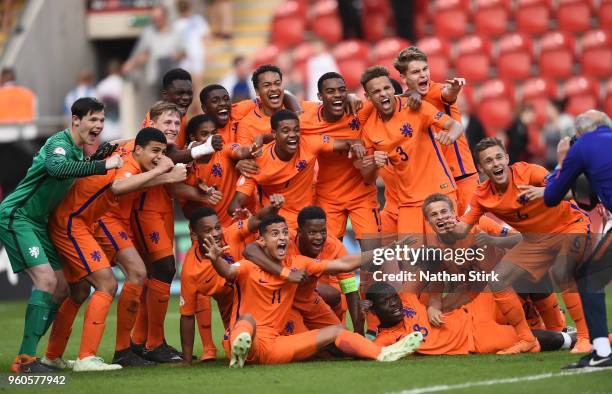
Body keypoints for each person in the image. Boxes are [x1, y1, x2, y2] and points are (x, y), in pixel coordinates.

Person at [43, 127, 185, 371]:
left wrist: (164, 173)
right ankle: (90, 357)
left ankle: (53, 355)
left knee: (79, 291)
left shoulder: (132, 152)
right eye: (155, 151)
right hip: (76, 222)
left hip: (85, 220)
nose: (159, 157)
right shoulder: (128, 162)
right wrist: (165, 172)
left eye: (162, 152)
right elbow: (119, 186)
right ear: (138, 148)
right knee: (108, 283)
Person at [202, 214, 424, 367]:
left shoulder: (299, 262)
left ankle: (383, 353)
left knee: (337, 331)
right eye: (274, 234)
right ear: (261, 240)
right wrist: (215, 260)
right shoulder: (248, 266)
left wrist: (386, 250)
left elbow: (346, 264)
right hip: (246, 338)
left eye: (283, 233)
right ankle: (240, 349)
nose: (281, 238)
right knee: (247, 321)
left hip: (275, 347)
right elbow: (228, 272)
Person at [0, 98, 122, 373]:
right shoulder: (60, 143)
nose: (98, 125)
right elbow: (56, 168)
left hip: (38, 222)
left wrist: (95, 158)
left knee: (63, 288)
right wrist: (103, 165)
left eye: (101, 120)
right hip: (18, 216)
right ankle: (26, 360)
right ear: (75, 120)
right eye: (92, 119)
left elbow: (73, 170)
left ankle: (40, 354)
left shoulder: (79, 152)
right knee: (45, 280)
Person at [447, 137, 592, 354]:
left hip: (569, 226)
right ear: (481, 168)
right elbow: (461, 230)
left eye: (498, 157)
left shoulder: (530, 172)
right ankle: (527, 339)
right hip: (535, 240)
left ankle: (584, 338)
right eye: (488, 161)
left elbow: (567, 188)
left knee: (564, 272)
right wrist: (447, 225)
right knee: (498, 281)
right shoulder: (481, 196)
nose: (495, 163)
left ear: (507, 158)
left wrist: (547, 190)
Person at [358, 66, 463, 238]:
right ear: (368, 97)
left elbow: (455, 126)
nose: (383, 94)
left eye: (386, 88)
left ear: (393, 89)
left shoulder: (416, 107)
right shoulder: (369, 128)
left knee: (446, 254)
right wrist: (374, 164)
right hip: (408, 202)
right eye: (376, 91)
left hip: (439, 192)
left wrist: (450, 137)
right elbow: (367, 178)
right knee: (410, 260)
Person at [179, 197, 286, 364]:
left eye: (217, 228)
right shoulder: (190, 270)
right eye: (207, 230)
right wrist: (186, 361)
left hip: (260, 295)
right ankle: (211, 349)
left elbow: (257, 219)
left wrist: (273, 206)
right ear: (193, 233)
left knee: (278, 336)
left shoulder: (231, 233)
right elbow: (186, 316)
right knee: (236, 343)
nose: (215, 234)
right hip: (231, 306)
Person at [544, 110, 612, 369]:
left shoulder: (583, 144)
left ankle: (602, 352)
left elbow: (551, 196)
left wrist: (562, 160)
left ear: (582, 132)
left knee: (589, 278)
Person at [228, 110, 364, 229]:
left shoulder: (309, 143)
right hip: (276, 225)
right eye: (286, 131)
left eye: (296, 130)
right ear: (274, 134)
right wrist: (249, 219)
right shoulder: (258, 161)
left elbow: (350, 142)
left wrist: (357, 146)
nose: (293, 135)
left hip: (306, 222)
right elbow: (235, 205)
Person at [243, 206, 364, 335]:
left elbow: (350, 289)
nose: (319, 237)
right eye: (312, 232)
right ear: (300, 232)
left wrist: (359, 332)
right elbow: (249, 250)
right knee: (305, 348)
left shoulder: (334, 246)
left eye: (323, 231)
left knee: (342, 339)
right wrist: (286, 274)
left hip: (309, 298)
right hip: (284, 302)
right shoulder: (284, 238)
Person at [366, 282, 576, 355]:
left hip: (474, 309)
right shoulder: (386, 339)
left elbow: (431, 267)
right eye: (385, 302)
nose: (394, 304)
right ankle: (573, 339)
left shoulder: (406, 298)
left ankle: (559, 324)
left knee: (524, 274)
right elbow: (376, 353)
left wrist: (433, 305)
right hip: (476, 339)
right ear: (373, 310)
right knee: (540, 339)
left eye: (394, 298)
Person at [299, 72, 380, 252]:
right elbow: (285, 97)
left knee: (373, 256)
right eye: (330, 91)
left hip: (362, 193)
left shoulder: (359, 110)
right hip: (328, 196)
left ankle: (371, 282)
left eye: (342, 90)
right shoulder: (306, 118)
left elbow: (392, 98)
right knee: (328, 254)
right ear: (320, 97)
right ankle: (339, 282)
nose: (337, 95)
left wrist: (413, 94)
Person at [393, 46, 478, 216]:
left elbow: (447, 94)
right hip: (434, 180)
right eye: (416, 72)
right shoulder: (403, 104)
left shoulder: (435, 90)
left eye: (425, 69)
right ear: (403, 77)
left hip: (461, 175)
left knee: (474, 228)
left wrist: (454, 89)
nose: (423, 74)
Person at [121, 5, 185, 93]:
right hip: (154, 80)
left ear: (165, 17)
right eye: (154, 18)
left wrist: (176, 56)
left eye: (158, 18)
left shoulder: (176, 32)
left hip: (173, 80)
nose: (156, 21)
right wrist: (130, 64)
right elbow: (141, 52)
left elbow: (184, 52)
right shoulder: (148, 32)